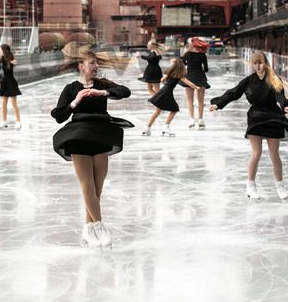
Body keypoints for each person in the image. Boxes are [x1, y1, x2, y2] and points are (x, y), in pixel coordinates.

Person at [51, 43, 133, 248]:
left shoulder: (101, 83)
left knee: (98, 185)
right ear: (81, 65)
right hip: (78, 135)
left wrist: (102, 93)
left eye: (96, 62)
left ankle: (88, 228)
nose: (95, 66)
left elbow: (124, 91)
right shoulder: (71, 88)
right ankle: (98, 225)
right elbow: (59, 115)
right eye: (91, 63)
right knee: (87, 183)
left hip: (101, 133)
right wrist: (75, 101)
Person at [209, 52, 288, 201]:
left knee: (274, 154)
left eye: (260, 62)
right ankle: (250, 185)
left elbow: (280, 96)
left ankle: (280, 185)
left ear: (266, 63)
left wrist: (285, 106)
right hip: (255, 117)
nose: (258, 66)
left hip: (273, 117)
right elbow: (233, 93)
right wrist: (218, 104)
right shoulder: (249, 80)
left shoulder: (274, 79)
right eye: (255, 63)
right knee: (256, 153)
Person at [141, 56, 199, 137]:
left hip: (163, 91)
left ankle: (147, 128)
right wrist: (196, 87)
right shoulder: (179, 75)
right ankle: (165, 127)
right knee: (174, 109)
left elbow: (161, 80)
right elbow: (189, 83)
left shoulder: (169, 73)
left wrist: (166, 85)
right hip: (167, 92)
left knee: (158, 111)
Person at [182, 38, 211, 129]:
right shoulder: (203, 56)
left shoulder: (187, 54)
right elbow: (206, 69)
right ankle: (201, 120)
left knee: (190, 100)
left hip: (189, 78)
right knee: (200, 101)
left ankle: (191, 119)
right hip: (200, 77)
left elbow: (183, 62)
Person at [0, 44, 22, 129]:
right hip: (4, 82)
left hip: (11, 82)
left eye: (0, 49)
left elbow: (15, 62)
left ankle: (18, 121)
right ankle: (4, 121)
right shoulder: (2, 59)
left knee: (14, 104)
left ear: (4, 50)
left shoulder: (10, 58)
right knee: (4, 103)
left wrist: (10, 61)